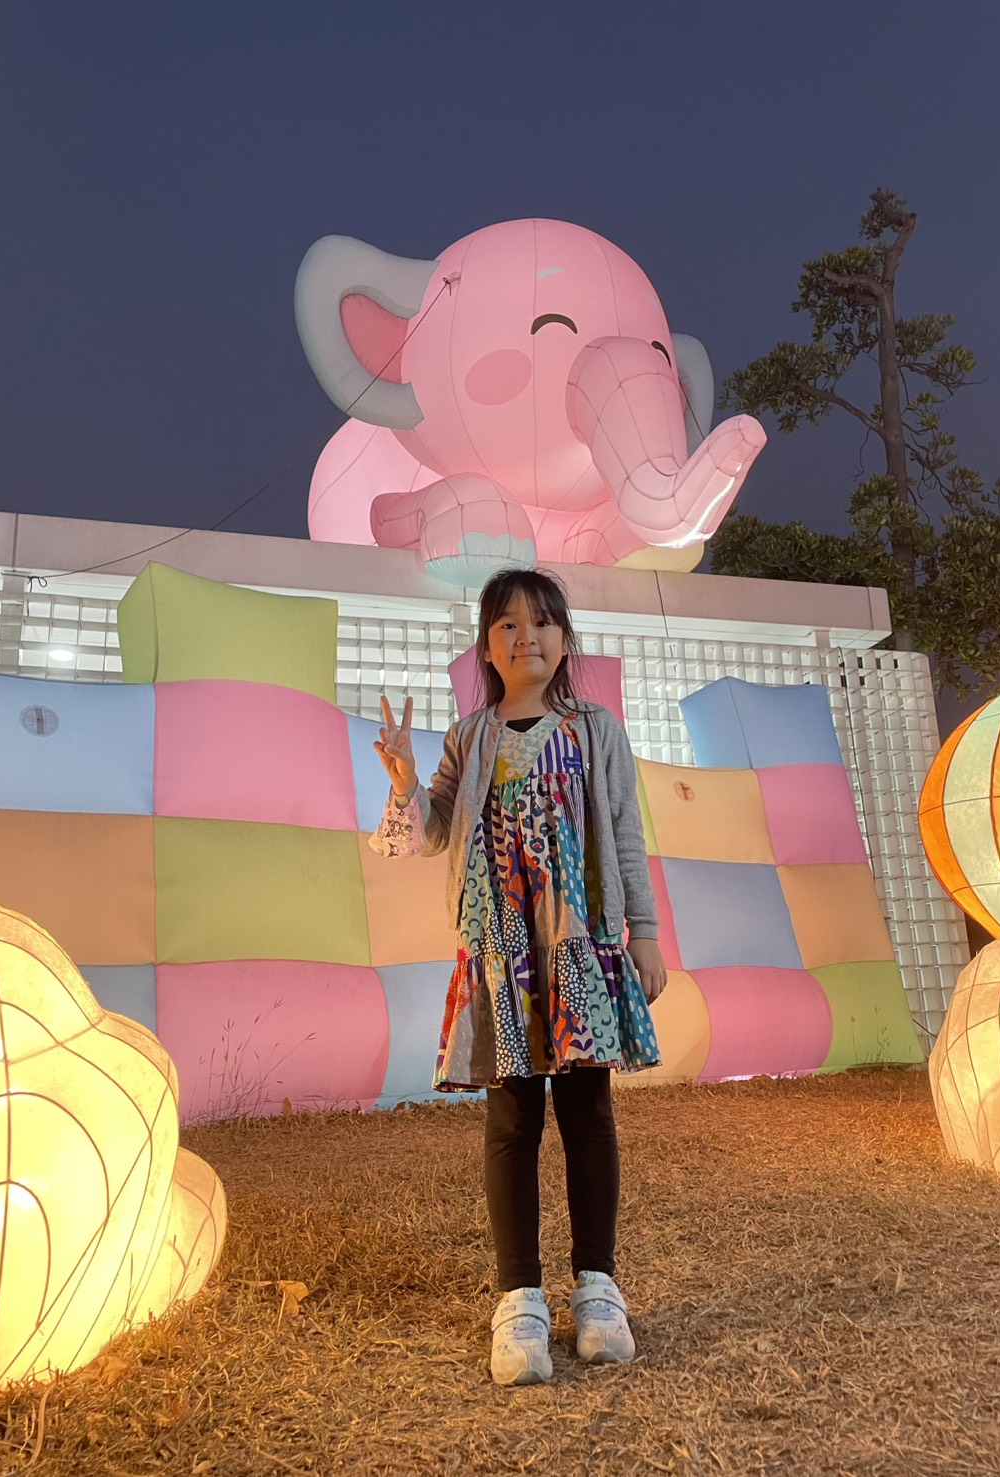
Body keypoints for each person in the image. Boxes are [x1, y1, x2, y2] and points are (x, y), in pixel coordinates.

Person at [370, 567, 667, 1386]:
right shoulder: (470, 738)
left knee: (587, 1111)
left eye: (541, 622)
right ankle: (520, 1299)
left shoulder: (596, 730)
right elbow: (430, 832)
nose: (525, 636)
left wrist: (643, 934)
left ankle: (598, 1290)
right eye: (507, 624)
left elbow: (626, 832)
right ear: (487, 646)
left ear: (564, 640)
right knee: (512, 1119)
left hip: (580, 943)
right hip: (500, 949)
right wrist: (405, 781)